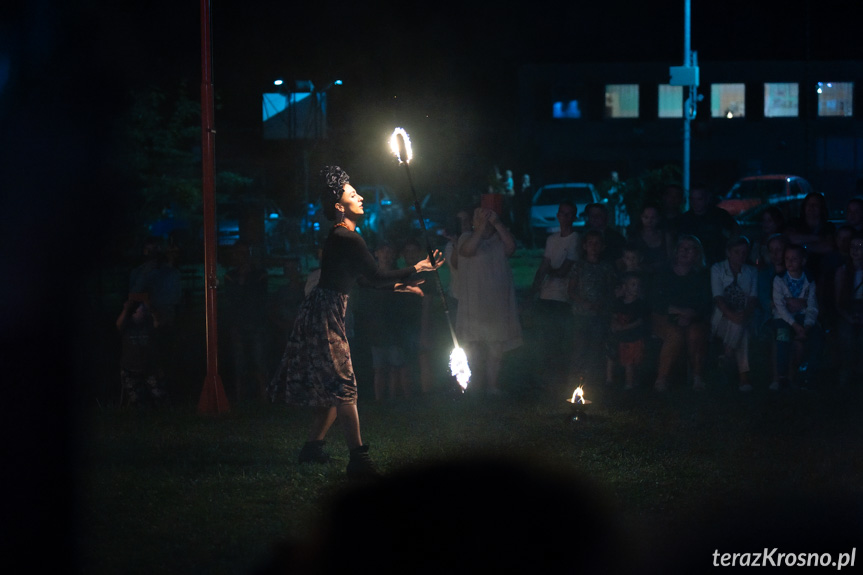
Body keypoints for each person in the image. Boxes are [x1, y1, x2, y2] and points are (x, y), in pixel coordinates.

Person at [268, 166, 443, 479]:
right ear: (339, 206)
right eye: (352, 194)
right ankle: (358, 460)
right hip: (324, 314)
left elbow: (363, 280)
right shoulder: (346, 237)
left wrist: (403, 284)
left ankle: (313, 447)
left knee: (334, 387)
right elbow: (374, 275)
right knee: (344, 385)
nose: (360, 197)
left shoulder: (344, 237)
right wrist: (416, 268)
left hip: (326, 310)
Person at [455, 206, 522, 395]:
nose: (483, 217)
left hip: (496, 304)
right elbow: (468, 250)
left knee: (496, 346)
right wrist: (481, 226)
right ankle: (472, 386)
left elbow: (511, 248)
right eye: (478, 215)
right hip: (474, 304)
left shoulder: (499, 240)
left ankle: (492, 385)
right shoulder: (465, 238)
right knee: (473, 346)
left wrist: (497, 223)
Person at [651, 235, 713, 391]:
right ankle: (661, 379)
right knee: (675, 334)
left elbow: (705, 302)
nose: (685, 251)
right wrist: (678, 312)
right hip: (664, 316)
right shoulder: (664, 272)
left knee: (696, 333)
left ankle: (697, 377)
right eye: (682, 247)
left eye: (690, 248)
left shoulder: (701, 275)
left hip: (693, 318)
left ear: (697, 253)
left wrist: (690, 315)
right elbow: (656, 301)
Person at [530, 201, 580, 389]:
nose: (565, 217)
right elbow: (545, 266)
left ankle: (558, 377)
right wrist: (535, 288)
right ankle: (547, 377)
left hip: (562, 297)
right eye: (562, 213)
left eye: (569, 214)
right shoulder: (552, 239)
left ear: (573, 217)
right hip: (546, 295)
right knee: (546, 338)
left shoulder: (575, 239)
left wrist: (549, 270)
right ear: (558, 215)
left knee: (558, 338)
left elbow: (563, 270)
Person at [710, 236, 759, 391]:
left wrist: (743, 314)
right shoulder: (717, 269)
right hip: (722, 319)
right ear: (728, 252)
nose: (741, 256)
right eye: (737, 252)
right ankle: (743, 378)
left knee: (740, 326)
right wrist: (732, 315)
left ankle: (727, 355)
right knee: (740, 327)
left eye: (744, 252)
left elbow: (753, 298)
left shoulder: (751, 271)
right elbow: (718, 297)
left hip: (744, 317)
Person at [568, 229, 617, 381]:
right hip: (581, 315)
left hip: (600, 315)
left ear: (602, 246)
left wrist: (601, 304)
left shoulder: (606, 267)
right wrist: (584, 303)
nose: (593, 247)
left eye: (597, 244)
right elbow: (571, 290)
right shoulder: (579, 266)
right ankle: (575, 376)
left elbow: (611, 290)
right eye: (590, 243)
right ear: (584, 246)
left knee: (596, 346)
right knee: (580, 346)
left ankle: (591, 377)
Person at [772, 244, 823, 390]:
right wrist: (794, 325)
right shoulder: (779, 280)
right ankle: (782, 376)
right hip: (784, 318)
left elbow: (812, 307)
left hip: (803, 319)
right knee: (783, 337)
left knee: (816, 338)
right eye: (787, 258)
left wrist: (806, 326)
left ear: (803, 261)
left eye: (794, 259)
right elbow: (780, 306)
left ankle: (807, 375)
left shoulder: (809, 280)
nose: (790, 262)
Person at [223, 243, 270, 402]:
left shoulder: (260, 274)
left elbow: (260, 297)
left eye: (244, 253)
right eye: (238, 254)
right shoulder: (230, 276)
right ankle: (239, 396)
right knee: (239, 361)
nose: (241, 257)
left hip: (256, 323)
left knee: (259, 360)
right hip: (238, 324)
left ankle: (263, 395)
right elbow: (231, 299)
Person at [116, 295, 165, 406]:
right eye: (140, 311)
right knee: (136, 401)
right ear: (133, 313)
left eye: (144, 311)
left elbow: (158, 321)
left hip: (148, 368)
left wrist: (149, 306)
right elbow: (118, 324)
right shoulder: (127, 325)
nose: (143, 313)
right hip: (130, 369)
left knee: (159, 396)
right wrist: (126, 309)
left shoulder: (148, 324)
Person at [606, 272, 650, 390]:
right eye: (633, 284)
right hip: (619, 337)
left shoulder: (640, 304)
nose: (636, 288)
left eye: (637, 285)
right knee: (612, 356)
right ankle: (609, 380)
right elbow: (614, 316)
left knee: (630, 361)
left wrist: (624, 327)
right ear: (625, 286)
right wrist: (614, 325)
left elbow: (639, 321)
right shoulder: (619, 302)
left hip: (633, 337)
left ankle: (629, 384)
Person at [675, 184, 738, 267]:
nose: (695, 203)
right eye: (692, 199)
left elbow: (736, 230)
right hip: (693, 265)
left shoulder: (719, 215)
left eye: (699, 199)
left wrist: (730, 248)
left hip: (717, 262)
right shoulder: (685, 219)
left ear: (707, 199)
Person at [833, 233, 863, 386]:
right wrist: (848, 316)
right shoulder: (843, 271)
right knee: (846, 334)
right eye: (853, 247)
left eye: (860, 247)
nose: (855, 250)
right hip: (847, 309)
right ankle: (846, 370)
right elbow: (838, 302)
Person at [627, 201, 673, 275]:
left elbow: (670, 259)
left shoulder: (666, 236)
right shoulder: (634, 237)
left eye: (653, 218)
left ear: (658, 218)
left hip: (662, 276)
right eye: (646, 217)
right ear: (641, 217)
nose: (649, 221)